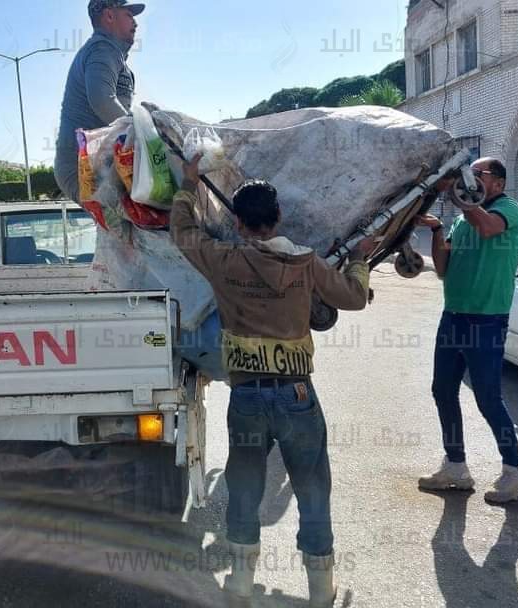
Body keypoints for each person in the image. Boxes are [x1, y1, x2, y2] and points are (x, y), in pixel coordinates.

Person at [170, 153, 373, 608]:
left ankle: (240, 585)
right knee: (312, 488)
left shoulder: (223, 260)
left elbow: (182, 232)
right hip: (298, 396)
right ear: (278, 217)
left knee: (244, 488)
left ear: (238, 224)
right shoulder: (305, 263)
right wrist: (358, 258)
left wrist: (187, 184)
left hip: (247, 398)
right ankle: (321, 590)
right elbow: (355, 297)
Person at [413, 157, 518, 503]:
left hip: (487, 319)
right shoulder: (463, 221)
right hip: (454, 316)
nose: (468, 182)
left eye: (475, 175)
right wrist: (437, 231)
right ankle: (456, 466)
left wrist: (461, 197)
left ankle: (515, 470)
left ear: (497, 182)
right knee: (443, 390)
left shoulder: (508, 209)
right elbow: (442, 267)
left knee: (487, 397)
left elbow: (489, 228)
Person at [55, 0, 142, 201]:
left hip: (92, 164)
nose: (135, 23)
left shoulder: (108, 51)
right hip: (85, 167)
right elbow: (103, 100)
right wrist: (142, 136)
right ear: (109, 16)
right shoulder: (103, 48)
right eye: (128, 15)